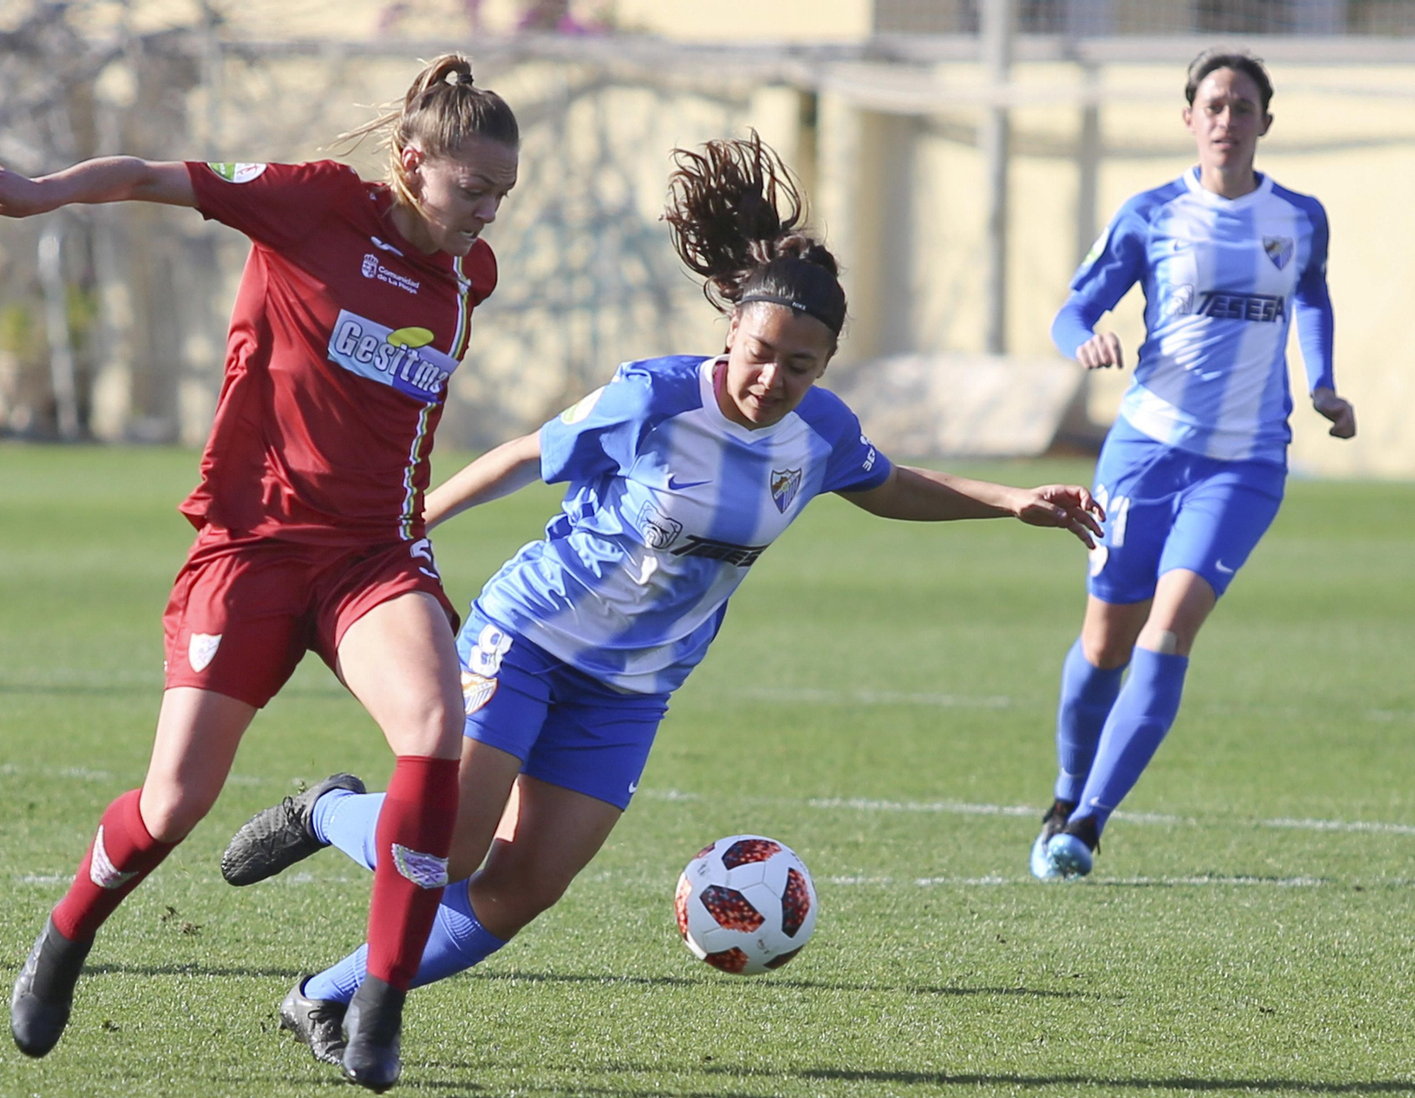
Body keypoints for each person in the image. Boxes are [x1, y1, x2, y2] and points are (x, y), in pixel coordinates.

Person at [217, 133, 1103, 1073]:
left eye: (800, 366)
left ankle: (322, 996)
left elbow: (886, 484)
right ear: (732, 332)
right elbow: (524, 456)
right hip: (531, 636)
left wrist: (1009, 501)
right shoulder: (655, 397)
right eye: (761, 354)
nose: (772, 380)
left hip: (632, 690)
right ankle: (327, 811)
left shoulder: (821, 434)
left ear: (826, 365)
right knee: (455, 846)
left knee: (522, 889)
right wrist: (412, 520)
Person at [0, 54, 519, 1090]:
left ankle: (378, 1006)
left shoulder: (469, 278)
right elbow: (152, 176)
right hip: (251, 548)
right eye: (472, 188)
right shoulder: (311, 203)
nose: (486, 213)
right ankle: (68, 932)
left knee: (437, 730)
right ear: (409, 161)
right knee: (173, 804)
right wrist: (43, 191)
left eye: (501, 195)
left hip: (371, 556)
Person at [1028, 50, 1356, 881]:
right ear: (1189, 119)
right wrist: (1085, 339)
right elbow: (1074, 309)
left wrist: (1322, 384)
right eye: (1213, 105)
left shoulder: (1299, 216)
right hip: (1143, 454)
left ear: (1265, 122)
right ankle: (1065, 793)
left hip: (1243, 466)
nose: (1227, 119)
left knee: (1169, 629)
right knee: (1105, 640)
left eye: (1243, 106)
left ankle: (1086, 827)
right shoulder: (1151, 214)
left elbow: (1311, 294)